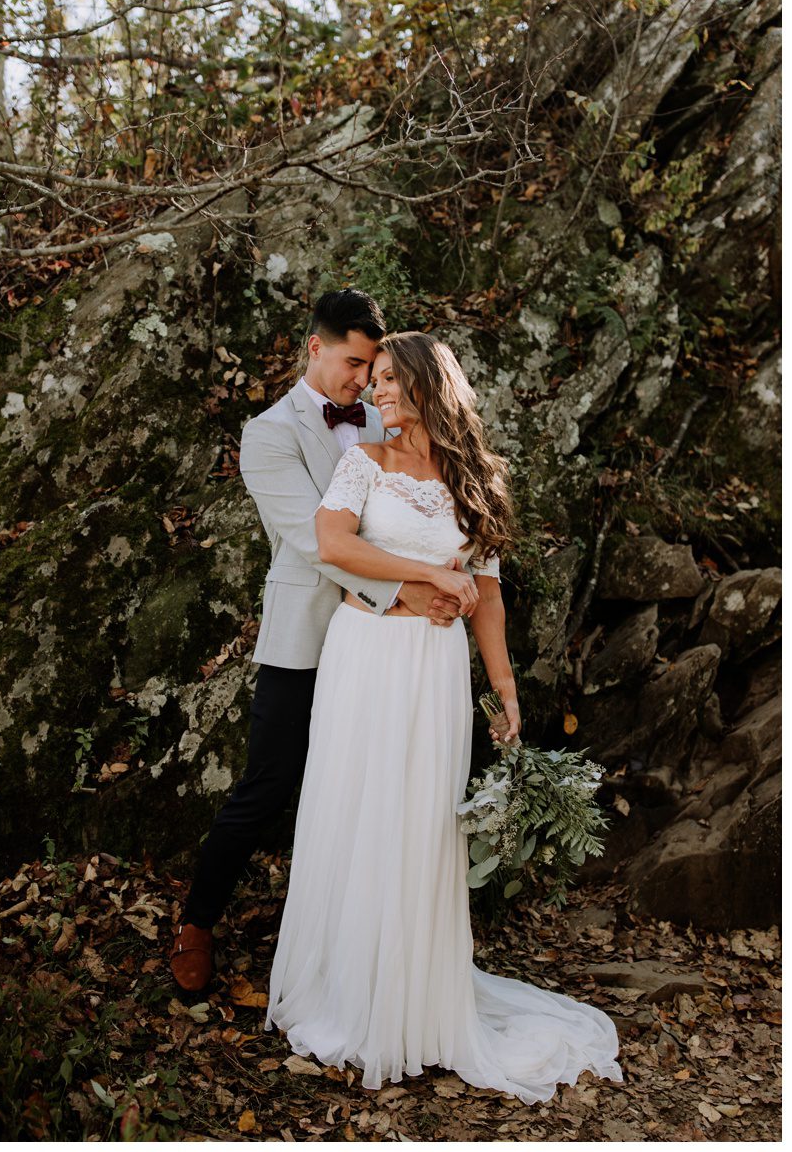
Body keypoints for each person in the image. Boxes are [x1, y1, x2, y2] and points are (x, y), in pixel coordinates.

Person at [266, 331, 621, 1102]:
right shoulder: (363, 460)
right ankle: (351, 995)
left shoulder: (476, 479)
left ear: (430, 384)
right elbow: (332, 543)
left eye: (392, 379)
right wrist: (427, 574)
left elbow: (486, 594)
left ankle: (418, 1007)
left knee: (421, 826)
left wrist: (504, 689)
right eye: (374, 379)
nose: (378, 391)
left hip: (434, 674)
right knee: (359, 814)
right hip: (365, 659)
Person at [170, 289, 464, 992]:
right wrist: (408, 590)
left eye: (372, 368)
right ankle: (197, 922)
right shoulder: (268, 433)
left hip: (391, 649)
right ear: (315, 347)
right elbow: (315, 540)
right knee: (269, 782)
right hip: (309, 631)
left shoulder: (389, 413)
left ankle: (374, 952)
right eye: (353, 364)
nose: (364, 381)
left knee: (388, 786)